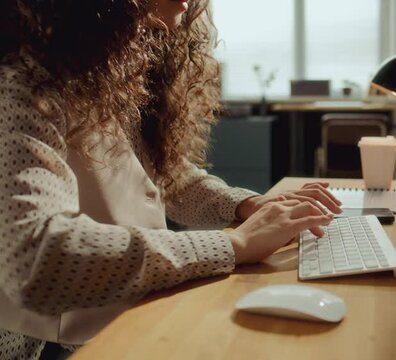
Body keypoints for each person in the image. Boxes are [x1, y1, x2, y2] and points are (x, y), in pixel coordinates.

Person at [0, 1, 342, 358]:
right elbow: (35, 262)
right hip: (51, 345)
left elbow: (168, 181)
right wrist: (234, 245)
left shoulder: (102, 68)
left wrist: (246, 205)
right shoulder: (19, 85)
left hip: (125, 319)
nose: (187, 2)